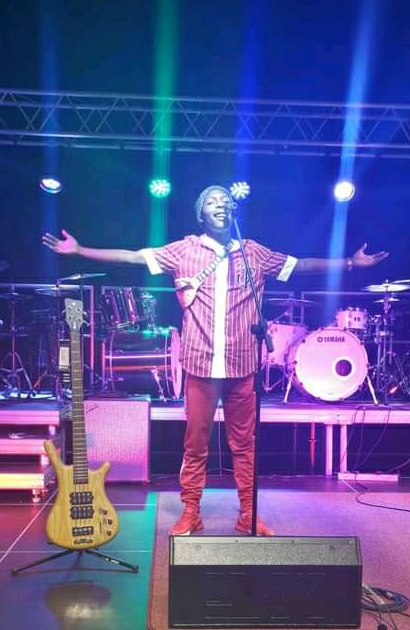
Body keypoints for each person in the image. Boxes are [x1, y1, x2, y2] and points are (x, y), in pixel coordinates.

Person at [42, 185, 388, 536]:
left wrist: (350, 263)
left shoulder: (252, 253)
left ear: (234, 210)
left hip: (243, 364)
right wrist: (81, 250)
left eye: (225, 201)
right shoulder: (183, 250)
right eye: (212, 201)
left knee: (245, 444)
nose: (220, 204)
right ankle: (191, 512)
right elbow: (133, 257)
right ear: (201, 214)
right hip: (200, 364)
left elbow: (300, 265)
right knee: (195, 444)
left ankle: (248, 514)